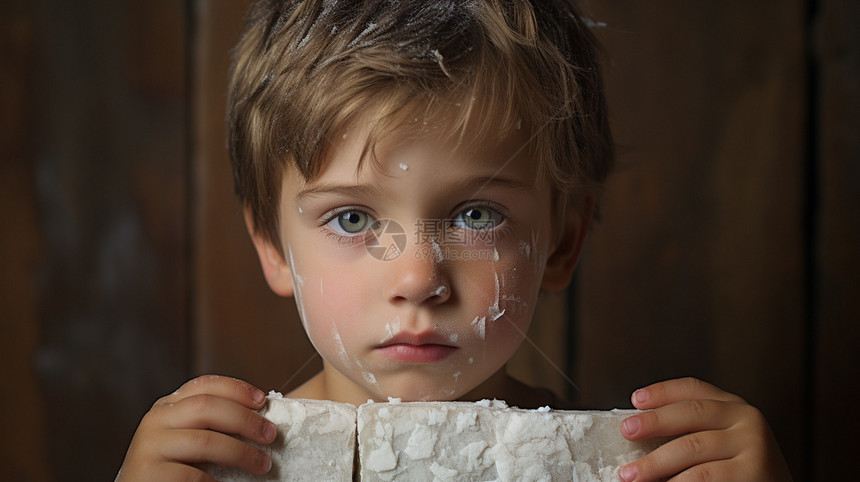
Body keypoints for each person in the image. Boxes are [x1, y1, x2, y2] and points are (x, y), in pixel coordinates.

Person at [118, 0, 792, 480]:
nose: (417, 277)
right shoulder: (213, 469)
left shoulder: (639, 471)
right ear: (273, 247)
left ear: (560, 242)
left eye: (475, 216)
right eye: (352, 219)